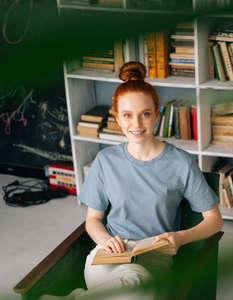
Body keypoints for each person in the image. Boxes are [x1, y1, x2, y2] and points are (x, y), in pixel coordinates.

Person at [41, 61, 222, 300]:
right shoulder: (106, 161)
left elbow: (214, 220)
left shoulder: (181, 163)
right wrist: (106, 240)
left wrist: (181, 237)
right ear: (116, 117)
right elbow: (93, 220)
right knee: (135, 288)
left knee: (137, 283)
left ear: (157, 115)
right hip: (108, 256)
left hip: (155, 257)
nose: (136, 124)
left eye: (145, 114)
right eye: (127, 115)